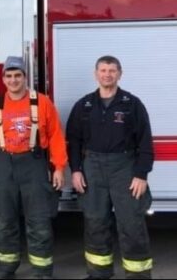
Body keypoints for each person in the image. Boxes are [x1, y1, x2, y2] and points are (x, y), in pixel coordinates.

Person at [0, 56, 67, 280]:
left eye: (18, 75)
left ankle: (42, 271)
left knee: (39, 220)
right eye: (9, 76)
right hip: (3, 165)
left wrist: (58, 168)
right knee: (4, 221)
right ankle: (7, 268)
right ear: (3, 79)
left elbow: (56, 136)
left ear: (26, 77)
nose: (13, 80)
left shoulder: (42, 103)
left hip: (33, 163)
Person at [66, 55, 154, 279]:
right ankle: (99, 273)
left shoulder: (132, 104)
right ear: (96, 74)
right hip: (92, 168)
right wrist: (75, 170)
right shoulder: (84, 105)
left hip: (124, 168)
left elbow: (145, 141)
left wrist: (141, 174)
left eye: (112, 70)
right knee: (95, 222)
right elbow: (73, 141)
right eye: (103, 70)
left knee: (131, 223)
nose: (107, 74)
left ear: (120, 74)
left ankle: (138, 276)